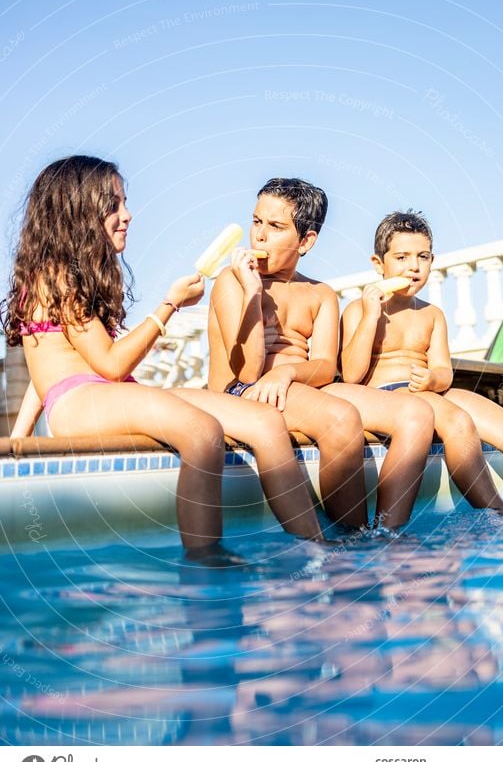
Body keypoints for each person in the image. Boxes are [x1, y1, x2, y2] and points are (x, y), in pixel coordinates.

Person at [2, 156, 324, 550]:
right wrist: (169, 305)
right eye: (114, 204)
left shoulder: (73, 274)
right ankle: (208, 565)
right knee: (203, 432)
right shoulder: (56, 275)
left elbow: (47, 364)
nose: (128, 215)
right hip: (81, 399)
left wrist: (18, 439)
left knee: (264, 421)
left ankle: (316, 549)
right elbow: (110, 364)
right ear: (79, 212)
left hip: (105, 393)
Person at [208, 178, 435, 530]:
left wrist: (286, 373)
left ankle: (388, 536)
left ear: (306, 241)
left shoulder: (320, 294)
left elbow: (327, 367)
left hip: (299, 385)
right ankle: (353, 540)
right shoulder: (232, 281)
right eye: (257, 222)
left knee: (417, 414)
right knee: (341, 419)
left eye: (276, 226)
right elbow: (249, 371)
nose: (260, 236)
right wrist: (252, 294)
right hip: (242, 390)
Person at [340, 208, 503, 511]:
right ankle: (499, 513)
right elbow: (351, 376)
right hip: (387, 396)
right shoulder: (358, 310)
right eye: (402, 257)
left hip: (430, 390)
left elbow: (443, 371)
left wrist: (432, 379)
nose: (413, 267)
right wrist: (370, 316)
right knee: (457, 422)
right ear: (379, 263)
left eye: (423, 257)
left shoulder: (432, 315)